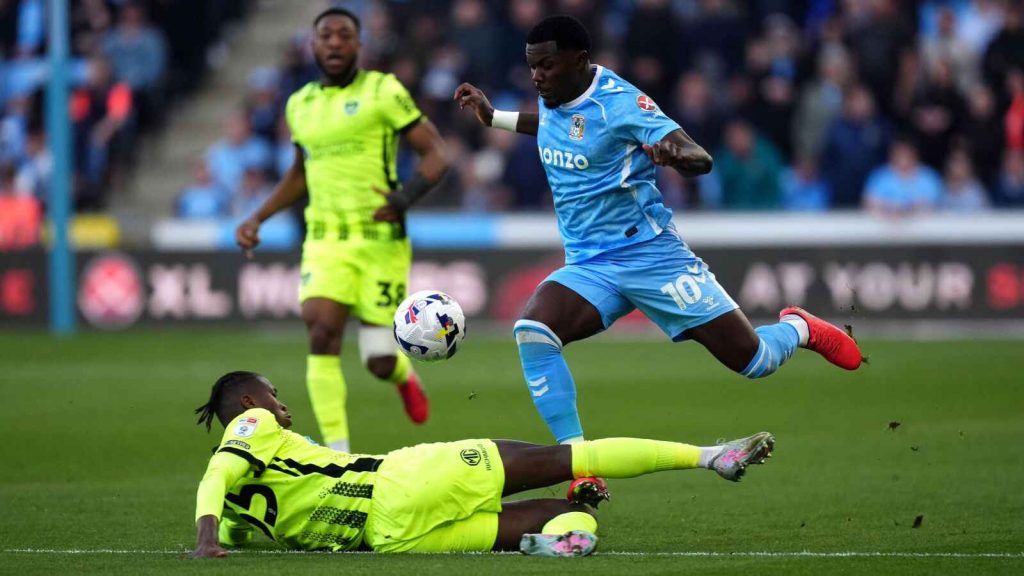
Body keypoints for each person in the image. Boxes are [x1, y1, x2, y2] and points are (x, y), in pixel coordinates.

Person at [454, 15, 863, 447]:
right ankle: (577, 461)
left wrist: (675, 155)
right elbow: (557, 126)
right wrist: (493, 117)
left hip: (651, 254)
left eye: (546, 66)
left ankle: (798, 328)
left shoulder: (622, 104)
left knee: (753, 361)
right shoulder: (560, 98)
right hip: (590, 265)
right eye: (532, 66)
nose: (536, 77)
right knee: (534, 330)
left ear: (580, 61)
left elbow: (699, 157)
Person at [191, 371, 775, 557]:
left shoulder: (244, 502)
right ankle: (709, 456)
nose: (280, 403)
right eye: (271, 394)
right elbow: (217, 473)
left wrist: (226, 532)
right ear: (247, 402)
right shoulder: (250, 428)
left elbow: (234, 504)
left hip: (389, 540)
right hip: (400, 479)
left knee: (562, 511)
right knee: (562, 457)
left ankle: (561, 540)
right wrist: (204, 537)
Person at [235, 8, 449, 451]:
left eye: (344, 35)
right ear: (312, 46)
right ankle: (338, 454)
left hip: (378, 241)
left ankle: (403, 376)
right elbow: (300, 174)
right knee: (321, 331)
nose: (334, 42)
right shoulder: (301, 104)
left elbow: (437, 154)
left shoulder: (383, 92)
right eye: (325, 35)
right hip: (325, 239)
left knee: (377, 359)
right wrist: (258, 217)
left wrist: (403, 199)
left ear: (358, 45)